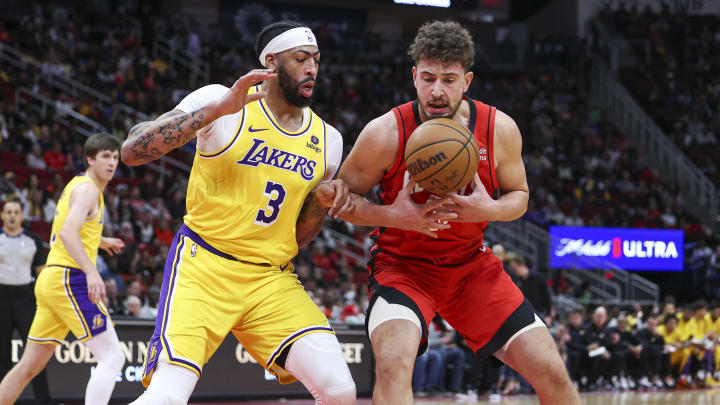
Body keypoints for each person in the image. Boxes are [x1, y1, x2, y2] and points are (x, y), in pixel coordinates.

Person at [333, 20, 580, 404]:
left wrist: (491, 208)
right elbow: (340, 201)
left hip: (472, 269)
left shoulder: (499, 129)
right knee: (393, 365)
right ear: (414, 77)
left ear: (467, 80)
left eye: (448, 79)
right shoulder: (385, 133)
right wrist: (394, 216)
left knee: (554, 376)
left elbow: (521, 196)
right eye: (428, 77)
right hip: (404, 269)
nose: (436, 90)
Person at [121, 21, 356, 405]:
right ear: (270, 62)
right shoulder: (223, 101)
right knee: (167, 395)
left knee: (340, 389)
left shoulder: (329, 141)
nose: (312, 69)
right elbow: (132, 150)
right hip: (205, 267)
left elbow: (298, 235)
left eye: (316, 60)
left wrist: (319, 204)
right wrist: (215, 111)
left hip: (270, 278)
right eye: (301, 59)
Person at [0, 134, 127, 405]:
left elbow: (68, 227)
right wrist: (92, 271)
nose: (111, 163)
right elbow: (68, 232)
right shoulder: (90, 188)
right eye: (105, 156)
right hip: (69, 278)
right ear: (90, 159)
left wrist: (100, 241)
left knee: (29, 367)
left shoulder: (77, 185)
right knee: (113, 357)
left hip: (51, 280)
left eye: (115, 157)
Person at [0, 198, 54, 405]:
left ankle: (44, 400)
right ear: (3, 215)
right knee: (2, 355)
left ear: (21, 216)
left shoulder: (32, 239)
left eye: (16, 212)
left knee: (36, 354)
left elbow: (42, 273)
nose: (12, 215)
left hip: (25, 300)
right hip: (1, 300)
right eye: (8, 212)